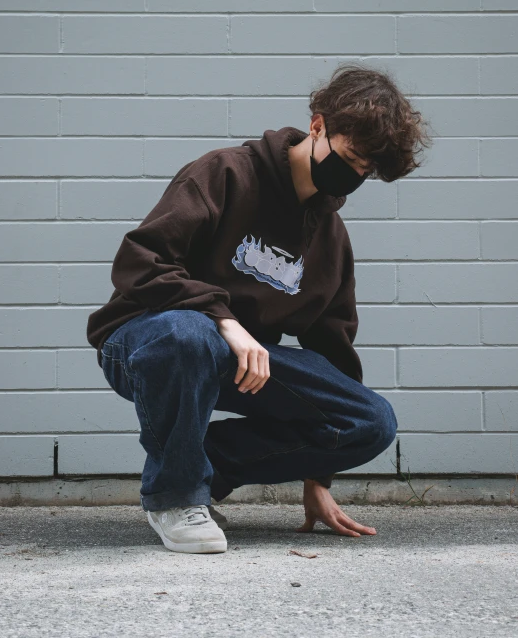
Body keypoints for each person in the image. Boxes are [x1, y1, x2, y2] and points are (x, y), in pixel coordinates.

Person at [86, 63, 432, 554]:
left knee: (371, 421)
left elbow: (332, 346)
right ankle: (174, 495)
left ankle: (194, 466)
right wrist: (224, 320)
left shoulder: (330, 237)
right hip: (147, 341)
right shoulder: (226, 172)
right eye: (352, 157)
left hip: (241, 360)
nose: (353, 176)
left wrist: (319, 477)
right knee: (190, 334)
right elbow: (140, 263)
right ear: (318, 126)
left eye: (365, 171)